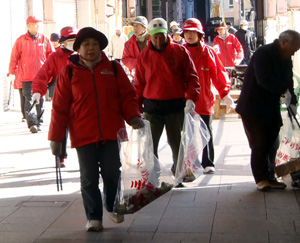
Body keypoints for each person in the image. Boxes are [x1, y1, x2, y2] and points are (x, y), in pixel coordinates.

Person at [48, 27, 144, 231]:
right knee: (89, 177)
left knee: (111, 173)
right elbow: (59, 107)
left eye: (94, 44)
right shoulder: (69, 72)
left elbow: (127, 96)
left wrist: (133, 116)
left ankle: (112, 205)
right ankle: (93, 217)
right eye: (86, 45)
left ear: (100, 47)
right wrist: (56, 138)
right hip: (83, 134)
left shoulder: (114, 68)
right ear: (78, 49)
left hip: (111, 132)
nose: (91, 48)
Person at [134, 18, 200, 180]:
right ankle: (151, 174)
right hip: (151, 107)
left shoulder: (180, 52)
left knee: (177, 143)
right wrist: (135, 109)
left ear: (167, 34)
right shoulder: (144, 56)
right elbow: (138, 84)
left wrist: (191, 99)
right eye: (155, 37)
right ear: (150, 36)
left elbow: (192, 78)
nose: (158, 40)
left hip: (175, 106)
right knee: (150, 144)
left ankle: (180, 172)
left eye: (161, 36)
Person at [236, 30, 300, 191]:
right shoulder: (263, 53)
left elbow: (288, 80)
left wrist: (292, 99)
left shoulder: (285, 57)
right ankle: (261, 179)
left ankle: (270, 176)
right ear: (284, 42)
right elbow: (264, 79)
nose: (294, 52)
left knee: (272, 142)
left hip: (270, 106)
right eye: (294, 48)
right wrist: (282, 91)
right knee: (259, 143)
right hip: (253, 106)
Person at [182, 18, 234, 174]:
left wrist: (225, 93)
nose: (189, 35)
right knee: (187, 132)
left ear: (200, 34)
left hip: (204, 98)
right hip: (185, 99)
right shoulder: (179, 51)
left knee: (207, 131)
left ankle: (208, 162)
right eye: (186, 32)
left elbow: (218, 73)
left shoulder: (208, 52)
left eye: (193, 32)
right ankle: (189, 162)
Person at [32, 26, 77, 167]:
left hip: (81, 98)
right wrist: (38, 91)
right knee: (60, 127)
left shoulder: (83, 54)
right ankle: (60, 156)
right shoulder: (55, 56)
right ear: (63, 41)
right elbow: (43, 74)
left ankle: (88, 159)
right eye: (69, 39)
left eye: (74, 39)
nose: (72, 42)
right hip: (61, 98)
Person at [7, 16, 55, 133]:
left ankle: (40, 121)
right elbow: (14, 57)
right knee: (29, 100)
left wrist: (53, 70)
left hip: (41, 76)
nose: (38, 26)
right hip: (27, 77)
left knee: (41, 100)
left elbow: (52, 56)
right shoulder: (21, 41)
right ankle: (32, 123)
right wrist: (12, 72)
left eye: (39, 24)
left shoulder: (44, 40)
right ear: (28, 25)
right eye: (35, 24)